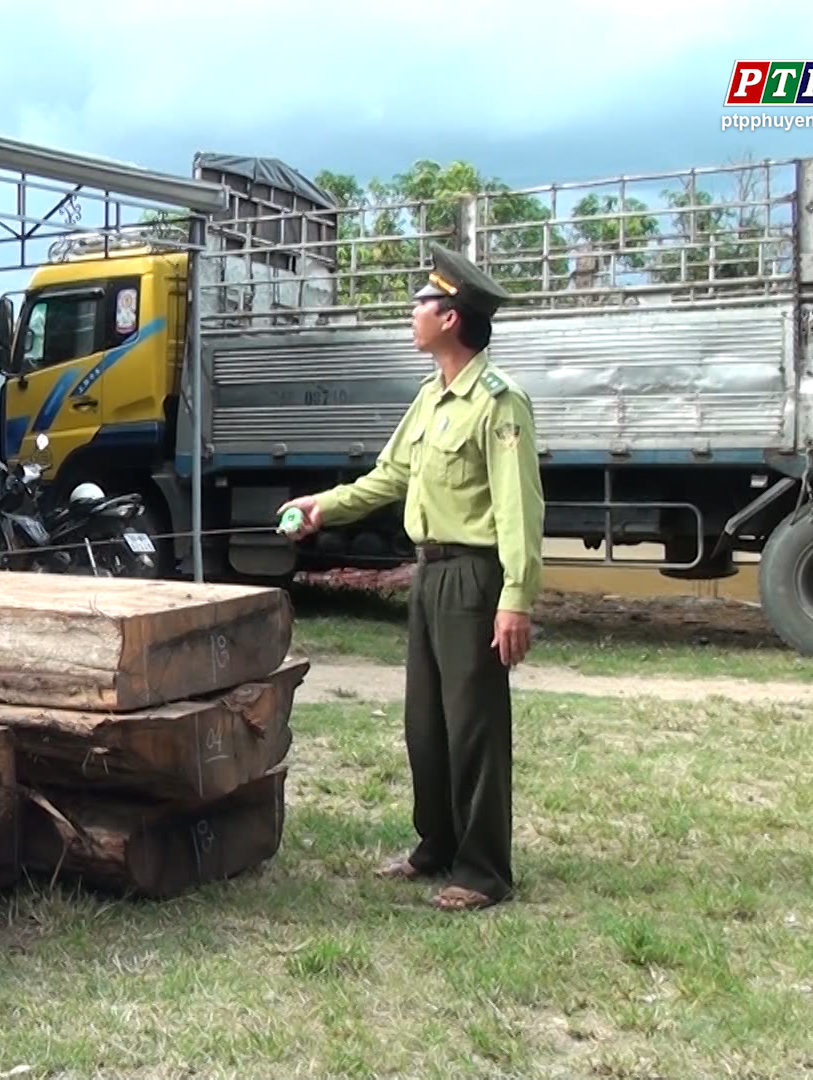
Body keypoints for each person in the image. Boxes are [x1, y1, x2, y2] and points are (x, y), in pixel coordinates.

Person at [277, 242, 545, 912]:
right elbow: (389, 478)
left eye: (424, 302)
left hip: (473, 578)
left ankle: (483, 871)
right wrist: (321, 508)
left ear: (452, 318)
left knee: (473, 726)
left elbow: (518, 508)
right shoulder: (431, 398)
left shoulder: (497, 402)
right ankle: (436, 846)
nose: (414, 311)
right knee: (425, 725)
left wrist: (516, 597)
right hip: (426, 576)